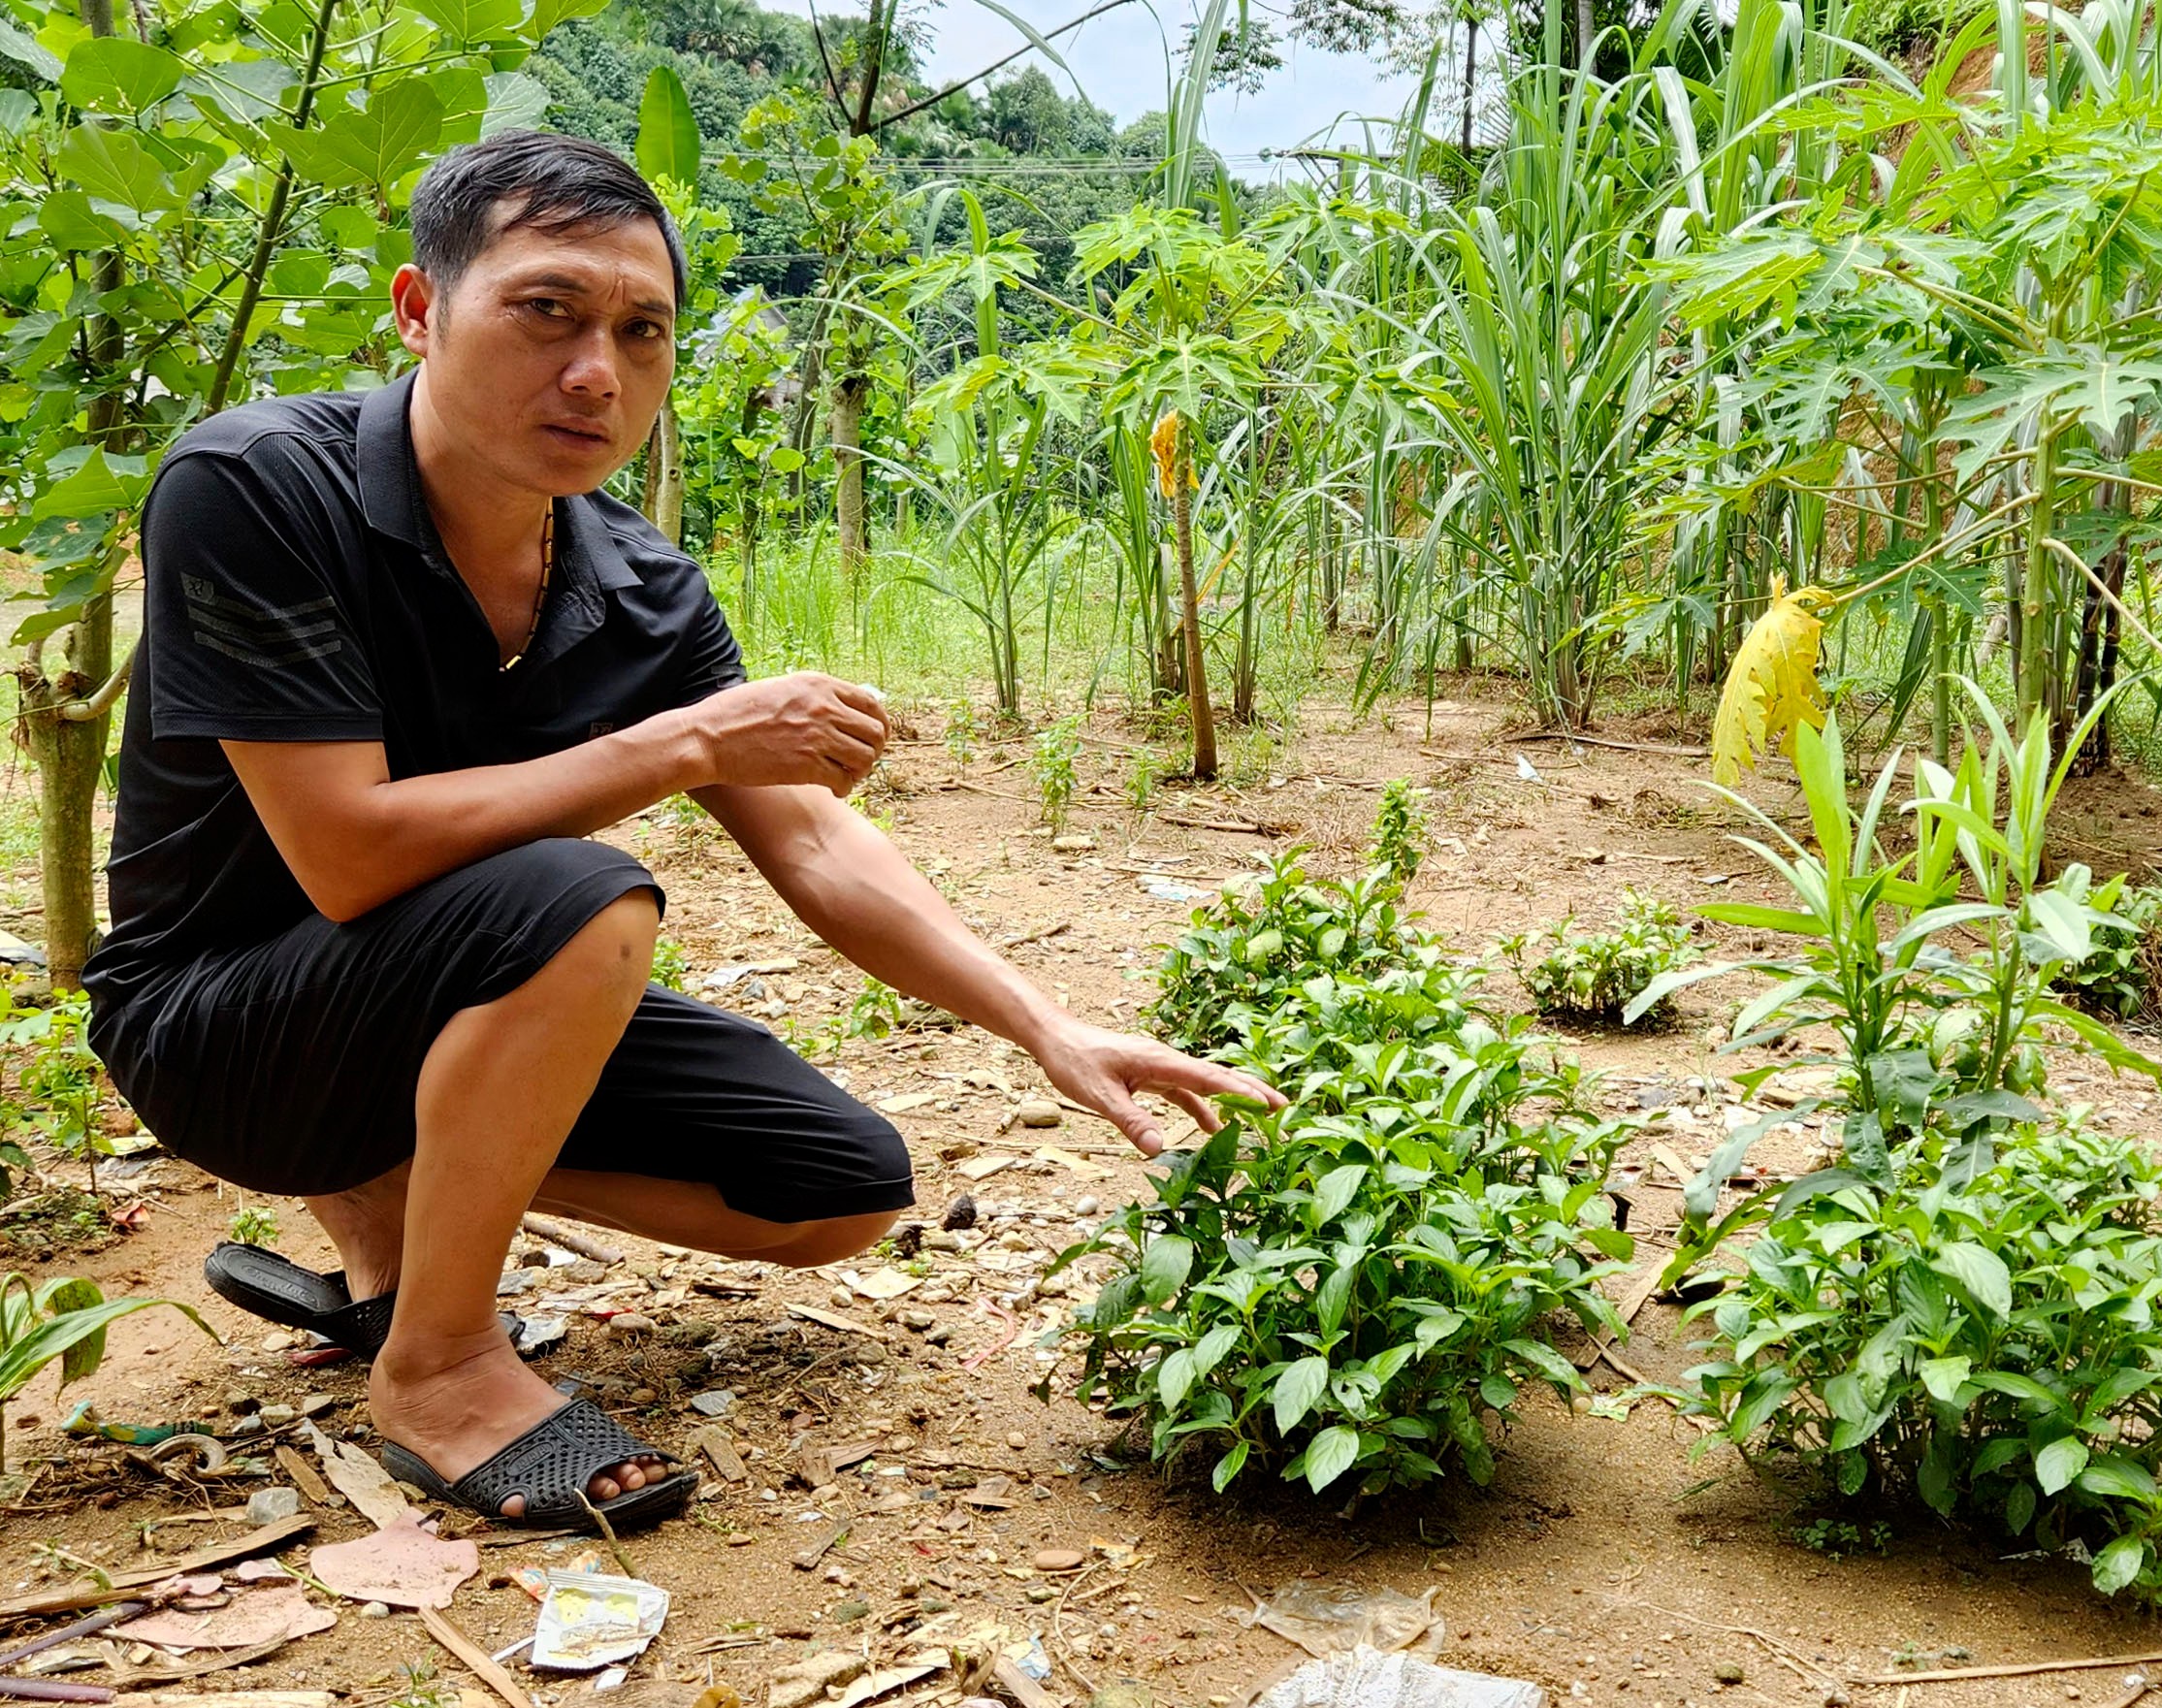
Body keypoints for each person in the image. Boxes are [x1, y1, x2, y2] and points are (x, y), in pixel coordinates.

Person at [81, 131, 1279, 1531]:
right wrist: (688, 741)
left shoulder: (641, 583)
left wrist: (1044, 1026)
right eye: (548, 310)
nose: (597, 370)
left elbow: (818, 844)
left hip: (425, 1011)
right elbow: (347, 854)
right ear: (419, 310)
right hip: (220, 1024)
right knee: (583, 898)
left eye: (641, 332)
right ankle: (441, 1362)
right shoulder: (253, 488)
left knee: (839, 1189)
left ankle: (403, 1210)